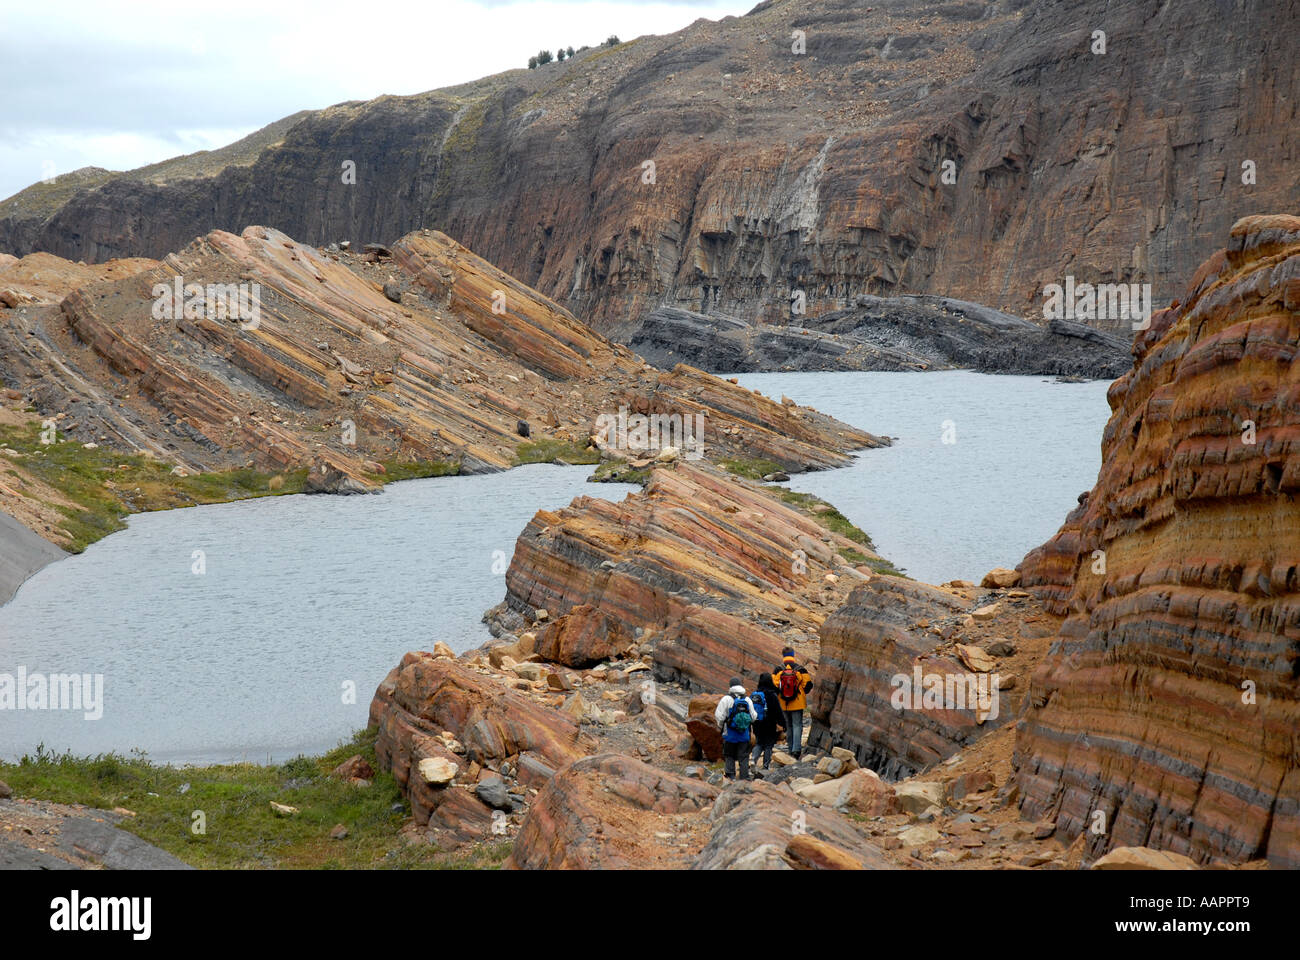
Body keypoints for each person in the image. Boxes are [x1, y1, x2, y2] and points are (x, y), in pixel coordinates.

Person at [771, 648, 813, 760]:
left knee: (788, 725)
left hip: (783, 703)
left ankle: (790, 749)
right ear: (793, 655)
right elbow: (808, 685)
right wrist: (799, 693)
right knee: (797, 725)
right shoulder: (801, 669)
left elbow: (774, 686)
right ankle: (796, 750)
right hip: (798, 703)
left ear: (783, 655)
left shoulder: (777, 670)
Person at [714, 678, 756, 781]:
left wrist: (721, 727)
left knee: (729, 755)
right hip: (744, 734)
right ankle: (744, 777)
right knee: (744, 756)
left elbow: (719, 716)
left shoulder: (726, 699)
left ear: (730, 686)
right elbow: (754, 716)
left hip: (730, 733)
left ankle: (730, 776)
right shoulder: (747, 699)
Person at [749, 672, 786, 777]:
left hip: (757, 723)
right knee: (769, 745)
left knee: (759, 743)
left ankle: (753, 760)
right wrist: (783, 723)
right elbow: (778, 711)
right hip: (769, 723)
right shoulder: (772, 694)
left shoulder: (755, 694)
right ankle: (765, 766)